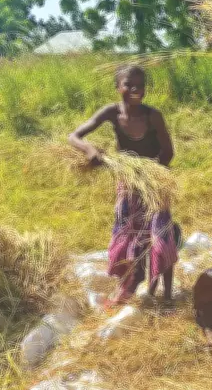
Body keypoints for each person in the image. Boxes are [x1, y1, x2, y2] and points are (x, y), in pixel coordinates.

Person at [69, 65, 178, 305]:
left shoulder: (153, 116)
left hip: (154, 184)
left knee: (160, 234)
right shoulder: (111, 112)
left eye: (140, 85)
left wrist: (150, 177)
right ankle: (128, 284)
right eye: (128, 84)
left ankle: (168, 295)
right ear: (118, 87)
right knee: (128, 235)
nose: (135, 89)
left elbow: (168, 152)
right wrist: (90, 150)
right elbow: (74, 136)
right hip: (127, 184)